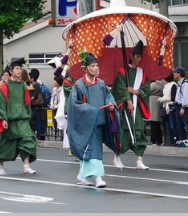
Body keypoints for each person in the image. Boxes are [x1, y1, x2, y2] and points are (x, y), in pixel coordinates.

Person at [67, 51, 121, 188]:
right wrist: (90, 110)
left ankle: (82, 175)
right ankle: (98, 178)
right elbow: (74, 105)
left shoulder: (102, 84)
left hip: (99, 122)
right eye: (93, 66)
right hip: (85, 124)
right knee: (92, 150)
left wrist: (111, 106)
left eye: (97, 66)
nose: (96, 68)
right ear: (86, 68)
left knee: (92, 150)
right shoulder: (78, 85)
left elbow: (109, 98)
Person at [0, 57, 37, 175]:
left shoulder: (23, 85)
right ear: (11, 71)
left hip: (22, 119)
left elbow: (27, 102)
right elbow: (0, 103)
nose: (19, 71)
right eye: (17, 68)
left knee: (27, 139)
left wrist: (27, 115)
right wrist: (3, 118)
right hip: (9, 120)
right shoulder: (4, 85)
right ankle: (0, 165)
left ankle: (26, 165)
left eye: (20, 68)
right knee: (6, 144)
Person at [112, 40, 151, 169]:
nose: (139, 59)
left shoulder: (142, 72)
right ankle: (117, 157)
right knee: (124, 132)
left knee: (139, 131)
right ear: (132, 57)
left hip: (137, 106)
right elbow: (120, 88)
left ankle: (139, 160)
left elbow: (146, 88)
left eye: (141, 57)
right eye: (137, 56)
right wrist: (128, 101)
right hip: (125, 107)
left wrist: (135, 91)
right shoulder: (122, 71)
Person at [173, 66, 188, 148]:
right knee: (179, 125)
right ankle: (183, 140)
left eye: (175, 72)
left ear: (179, 73)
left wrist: (183, 107)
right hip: (178, 106)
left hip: (184, 107)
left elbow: (186, 97)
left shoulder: (185, 84)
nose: (173, 74)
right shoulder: (180, 84)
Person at [157, 73, 178, 146]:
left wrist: (163, 99)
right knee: (167, 125)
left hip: (171, 107)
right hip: (165, 107)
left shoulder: (173, 85)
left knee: (172, 125)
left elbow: (173, 97)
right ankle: (170, 141)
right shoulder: (165, 86)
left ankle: (175, 140)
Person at [50, 75, 69, 149]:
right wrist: (51, 105)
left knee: (62, 121)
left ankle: (62, 136)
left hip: (60, 108)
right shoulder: (54, 89)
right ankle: (57, 134)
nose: (53, 82)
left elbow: (62, 100)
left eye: (55, 80)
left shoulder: (62, 89)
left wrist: (56, 106)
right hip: (54, 107)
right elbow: (52, 98)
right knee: (55, 122)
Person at [29, 68, 46, 140]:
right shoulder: (34, 85)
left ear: (32, 78)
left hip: (36, 107)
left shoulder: (36, 85)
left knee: (35, 121)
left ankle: (39, 134)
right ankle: (38, 133)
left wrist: (27, 101)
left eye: (29, 77)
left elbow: (34, 96)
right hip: (35, 107)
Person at [148, 79, 165, 146]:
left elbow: (147, 91)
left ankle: (153, 140)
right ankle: (159, 140)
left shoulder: (153, 84)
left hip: (152, 103)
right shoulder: (163, 85)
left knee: (153, 124)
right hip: (159, 103)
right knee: (157, 124)